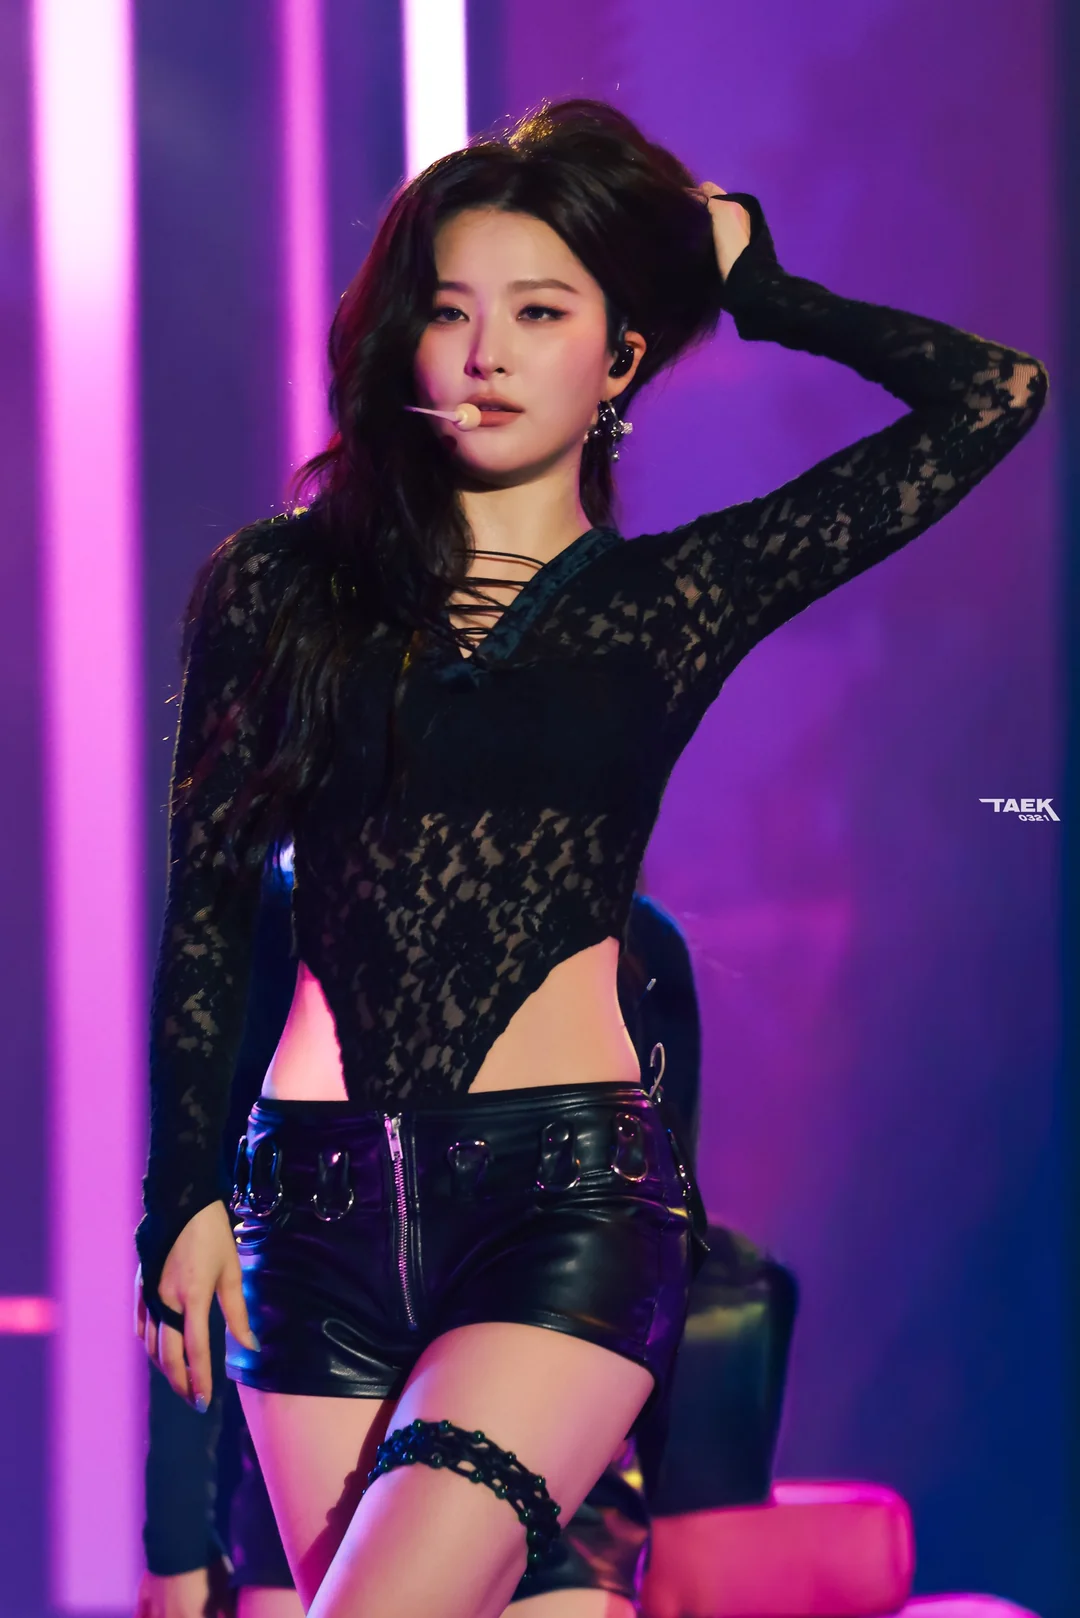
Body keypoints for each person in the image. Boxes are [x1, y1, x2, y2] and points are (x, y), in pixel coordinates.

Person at [133, 96, 1047, 1618]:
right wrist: (178, 1197)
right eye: (450, 311)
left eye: (540, 312)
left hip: (555, 1200)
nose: (486, 353)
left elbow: (994, 395)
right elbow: (210, 905)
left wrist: (764, 290)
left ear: (618, 358)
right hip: (307, 1212)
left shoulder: (670, 601)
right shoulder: (276, 586)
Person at [136, 861, 706, 1618]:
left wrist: (681, 1517)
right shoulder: (277, 930)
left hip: (555, 1466)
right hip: (300, 1444)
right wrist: (177, 1542)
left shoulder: (634, 947)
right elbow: (204, 1245)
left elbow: (661, 1250)